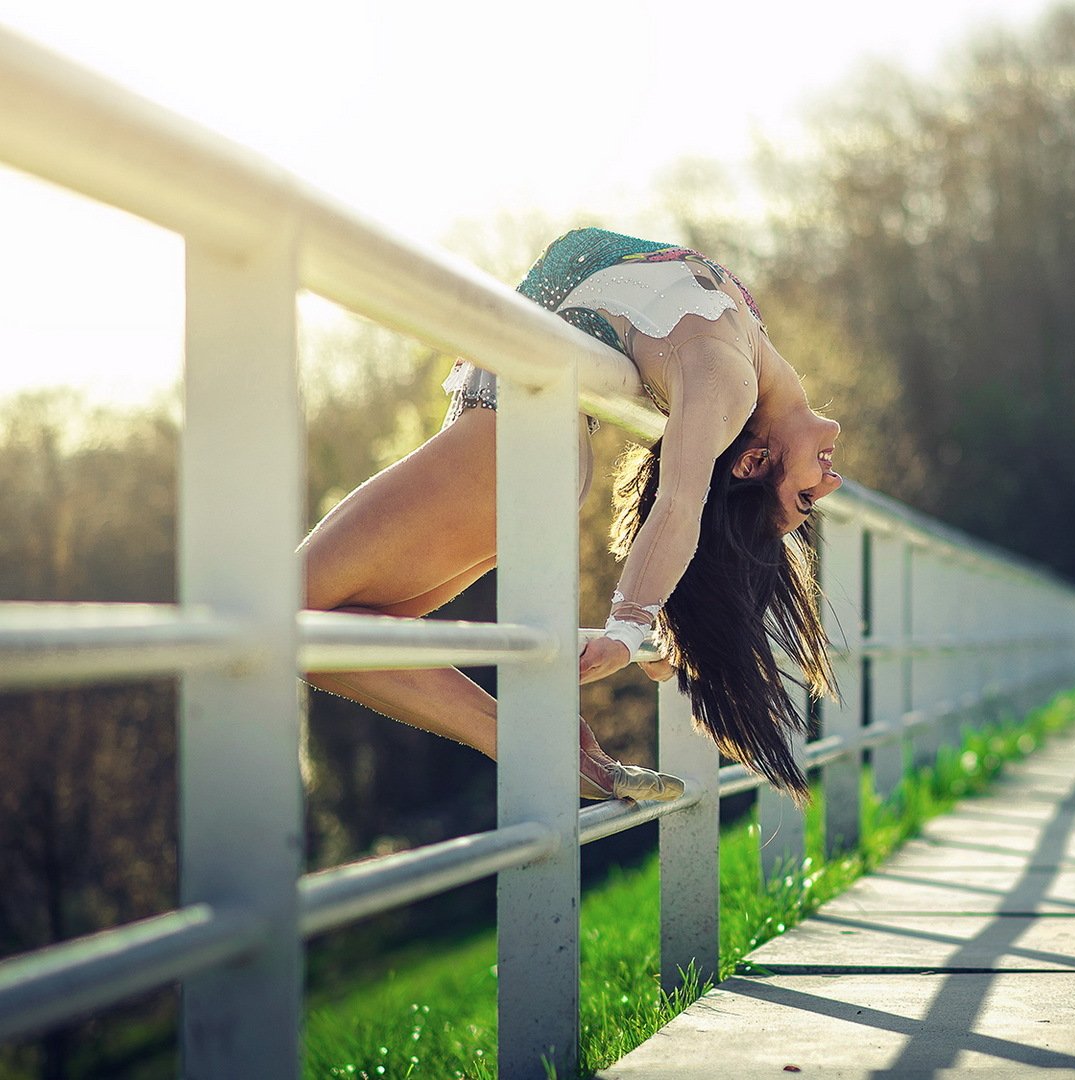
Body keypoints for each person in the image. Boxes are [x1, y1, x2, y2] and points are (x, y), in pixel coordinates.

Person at [300, 228, 842, 803]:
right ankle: (538, 741)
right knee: (347, 626)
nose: (831, 482)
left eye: (808, 496)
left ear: (754, 463)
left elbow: (681, 504)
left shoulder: (728, 382)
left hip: (512, 444)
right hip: (520, 447)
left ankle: (528, 743)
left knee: (288, 609)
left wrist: (629, 626)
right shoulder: (745, 354)